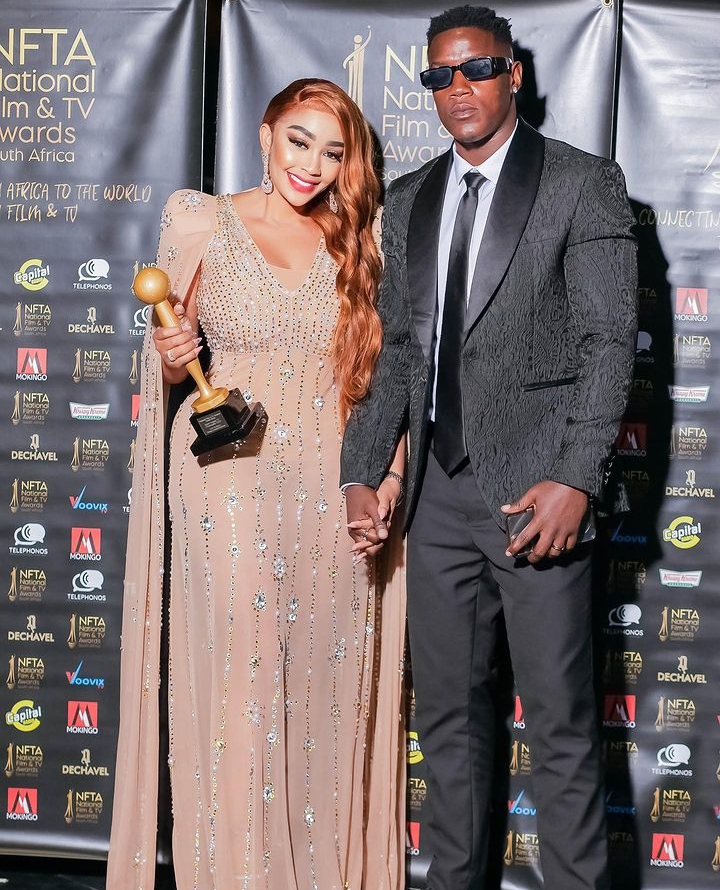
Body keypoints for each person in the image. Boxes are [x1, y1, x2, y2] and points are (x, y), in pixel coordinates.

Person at [342, 7, 637, 890]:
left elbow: (609, 343)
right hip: (435, 500)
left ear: (514, 74)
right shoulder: (409, 199)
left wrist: (575, 477)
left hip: (537, 496)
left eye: (476, 69)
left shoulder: (581, 183)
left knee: (560, 729)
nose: (458, 88)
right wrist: (363, 469)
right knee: (448, 730)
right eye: (440, 76)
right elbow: (400, 352)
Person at [108, 79, 406, 890]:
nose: (311, 164)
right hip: (226, 474)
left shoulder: (363, 238)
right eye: (298, 140)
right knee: (241, 674)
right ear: (267, 133)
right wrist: (171, 355)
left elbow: (385, 376)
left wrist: (386, 475)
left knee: (324, 679)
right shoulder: (199, 219)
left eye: (332, 152)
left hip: (335, 475)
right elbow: (171, 354)